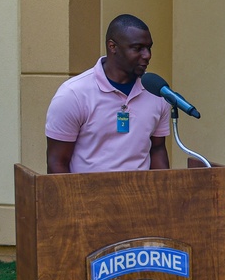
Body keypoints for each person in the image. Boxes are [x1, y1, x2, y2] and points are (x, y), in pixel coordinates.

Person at [45, 14, 170, 173]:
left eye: (149, 48)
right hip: (88, 195)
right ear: (113, 47)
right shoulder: (73, 94)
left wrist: (165, 194)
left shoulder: (157, 92)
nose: (147, 55)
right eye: (138, 48)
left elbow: (157, 149)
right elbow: (57, 162)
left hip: (140, 195)